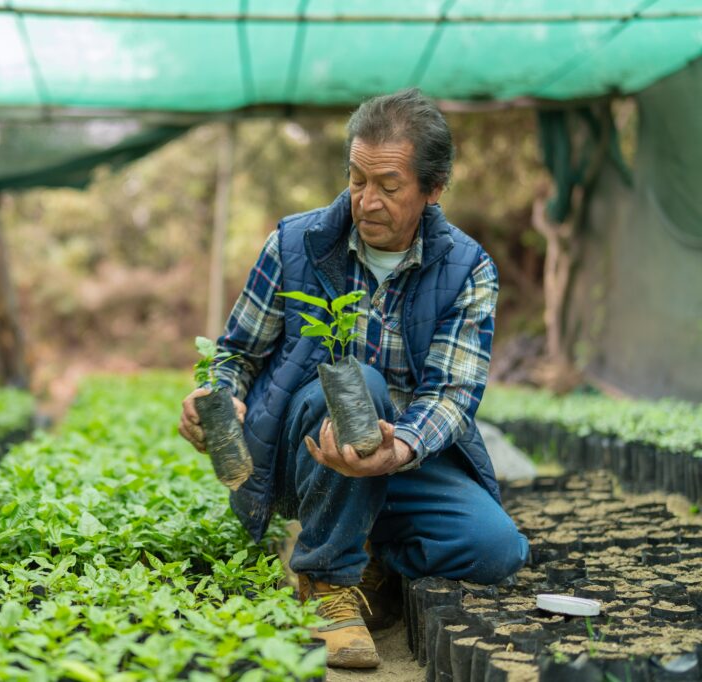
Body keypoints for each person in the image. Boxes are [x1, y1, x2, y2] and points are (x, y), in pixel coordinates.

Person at [178, 88, 529, 669]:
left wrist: (401, 449)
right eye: (357, 179)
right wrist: (218, 398)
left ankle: (370, 548)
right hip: (306, 454)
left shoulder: (468, 270)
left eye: (389, 188)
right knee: (355, 382)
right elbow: (235, 353)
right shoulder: (295, 245)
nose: (367, 201)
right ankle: (327, 582)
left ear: (433, 189)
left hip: (399, 457)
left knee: (496, 551)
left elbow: (451, 395)